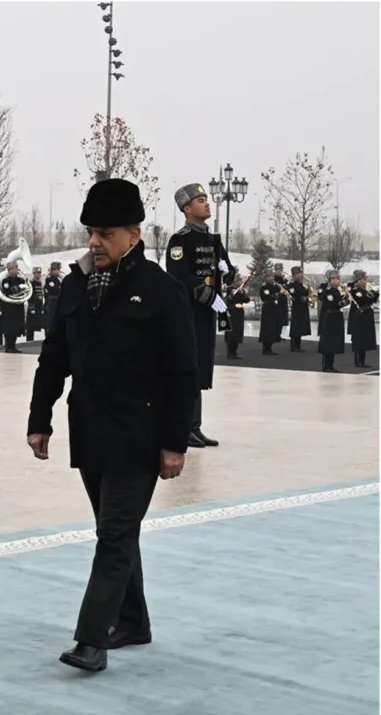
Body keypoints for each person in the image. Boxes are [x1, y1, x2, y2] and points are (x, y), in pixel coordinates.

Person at [26, 178, 197, 673]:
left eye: (105, 233)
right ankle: (133, 621)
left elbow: (182, 373)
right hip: (91, 433)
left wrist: (173, 442)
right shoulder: (76, 285)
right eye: (91, 232)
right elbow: (54, 356)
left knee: (114, 535)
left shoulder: (161, 291)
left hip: (140, 437)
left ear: (134, 234)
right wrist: (41, 420)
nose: (95, 242)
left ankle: (91, 640)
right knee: (115, 530)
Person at [166, 184, 233, 448]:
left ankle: (195, 425)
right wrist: (209, 296)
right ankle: (182, 427)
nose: (207, 204)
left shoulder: (212, 239)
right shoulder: (180, 240)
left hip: (206, 314)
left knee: (200, 369)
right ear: (187, 209)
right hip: (188, 313)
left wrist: (227, 271)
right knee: (187, 369)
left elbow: (224, 269)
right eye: (201, 200)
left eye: (206, 199)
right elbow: (179, 278)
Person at [317, 272, 349, 373]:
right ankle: (326, 365)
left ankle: (331, 364)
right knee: (328, 342)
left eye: (338, 278)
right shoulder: (328, 291)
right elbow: (334, 304)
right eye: (334, 279)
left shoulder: (336, 290)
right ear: (330, 280)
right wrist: (346, 301)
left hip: (336, 317)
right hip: (330, 318)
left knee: (334, 342)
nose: (337, 280)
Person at [348, 270, 378, 368]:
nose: (366, 281)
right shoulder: (355, 290)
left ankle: (362, 360)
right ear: (358, 280)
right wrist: (370, 295)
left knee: (365, 339)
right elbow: (362, 300)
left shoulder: (365, 289)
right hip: (359, 317)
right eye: (364, 279)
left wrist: (375, 294)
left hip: (366, 316)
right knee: (359, 340)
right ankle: (358, 361)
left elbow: (371, 299)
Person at [0, 262, 27, 353]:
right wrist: (19, 287)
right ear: (10, 269)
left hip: (18, 306)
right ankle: (8, 347)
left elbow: (26, 290)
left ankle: (13, 346)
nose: (17, 269)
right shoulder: (6, 281)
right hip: (9, 307)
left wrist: (24, 285)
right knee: (10, 328)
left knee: (16, 328)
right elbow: (9, 291)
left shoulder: (20, 280)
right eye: (16, 268)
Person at [258, 271, 286, 356]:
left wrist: (284, 292)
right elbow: (268, 297)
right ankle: (266, 348)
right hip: (268, 309)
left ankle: (270, 346)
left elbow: (281, 297)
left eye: (272, 276)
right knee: (267, 328)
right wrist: (279, 293)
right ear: (266, 278)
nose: (272, 278)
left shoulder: (276, 286)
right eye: (269, 276)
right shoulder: (264, 287)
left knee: (273, 328)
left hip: (275, 309)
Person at [286, 266, 313, 352]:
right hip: (297, 308)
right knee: (296, 326)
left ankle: (298, 345)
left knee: (300, 326)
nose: (301, 275)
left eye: (301, 273)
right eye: (299, 273)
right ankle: (294, 346)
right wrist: (304, 298)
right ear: (294, 275)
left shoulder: (300, 284)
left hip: (302, 308)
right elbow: (294, 296)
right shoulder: (292, 285)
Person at [223, 276, 248, 360]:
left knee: (238, 332)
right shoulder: (230, 289)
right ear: (235, 282)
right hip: (232, 312)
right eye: (239, 281)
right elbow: (235, 298)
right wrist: (241, 295)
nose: (241, 283)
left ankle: (234, 352)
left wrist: (243, 293)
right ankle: (230, 353)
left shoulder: (241, 290)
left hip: (239, 312)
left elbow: (247, 299)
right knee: (231, 333)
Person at [25, 266, 45, 341]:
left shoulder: (39, 283)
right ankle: (29, 340)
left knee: (36, 324)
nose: (39, 275)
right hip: (33, 306)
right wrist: (31, 307)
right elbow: (29, 296)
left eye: (40, 273)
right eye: (37, 273)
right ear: (34, 274)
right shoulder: (31, 283)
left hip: (39, 306)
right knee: (30, 326)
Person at [43, 261, 63, 329]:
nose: (59, 271)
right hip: (52, 303)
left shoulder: (58, 279)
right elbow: (55, 290)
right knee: (51, 322)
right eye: (57, 270)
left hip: (57, 303)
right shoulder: (50, 280)